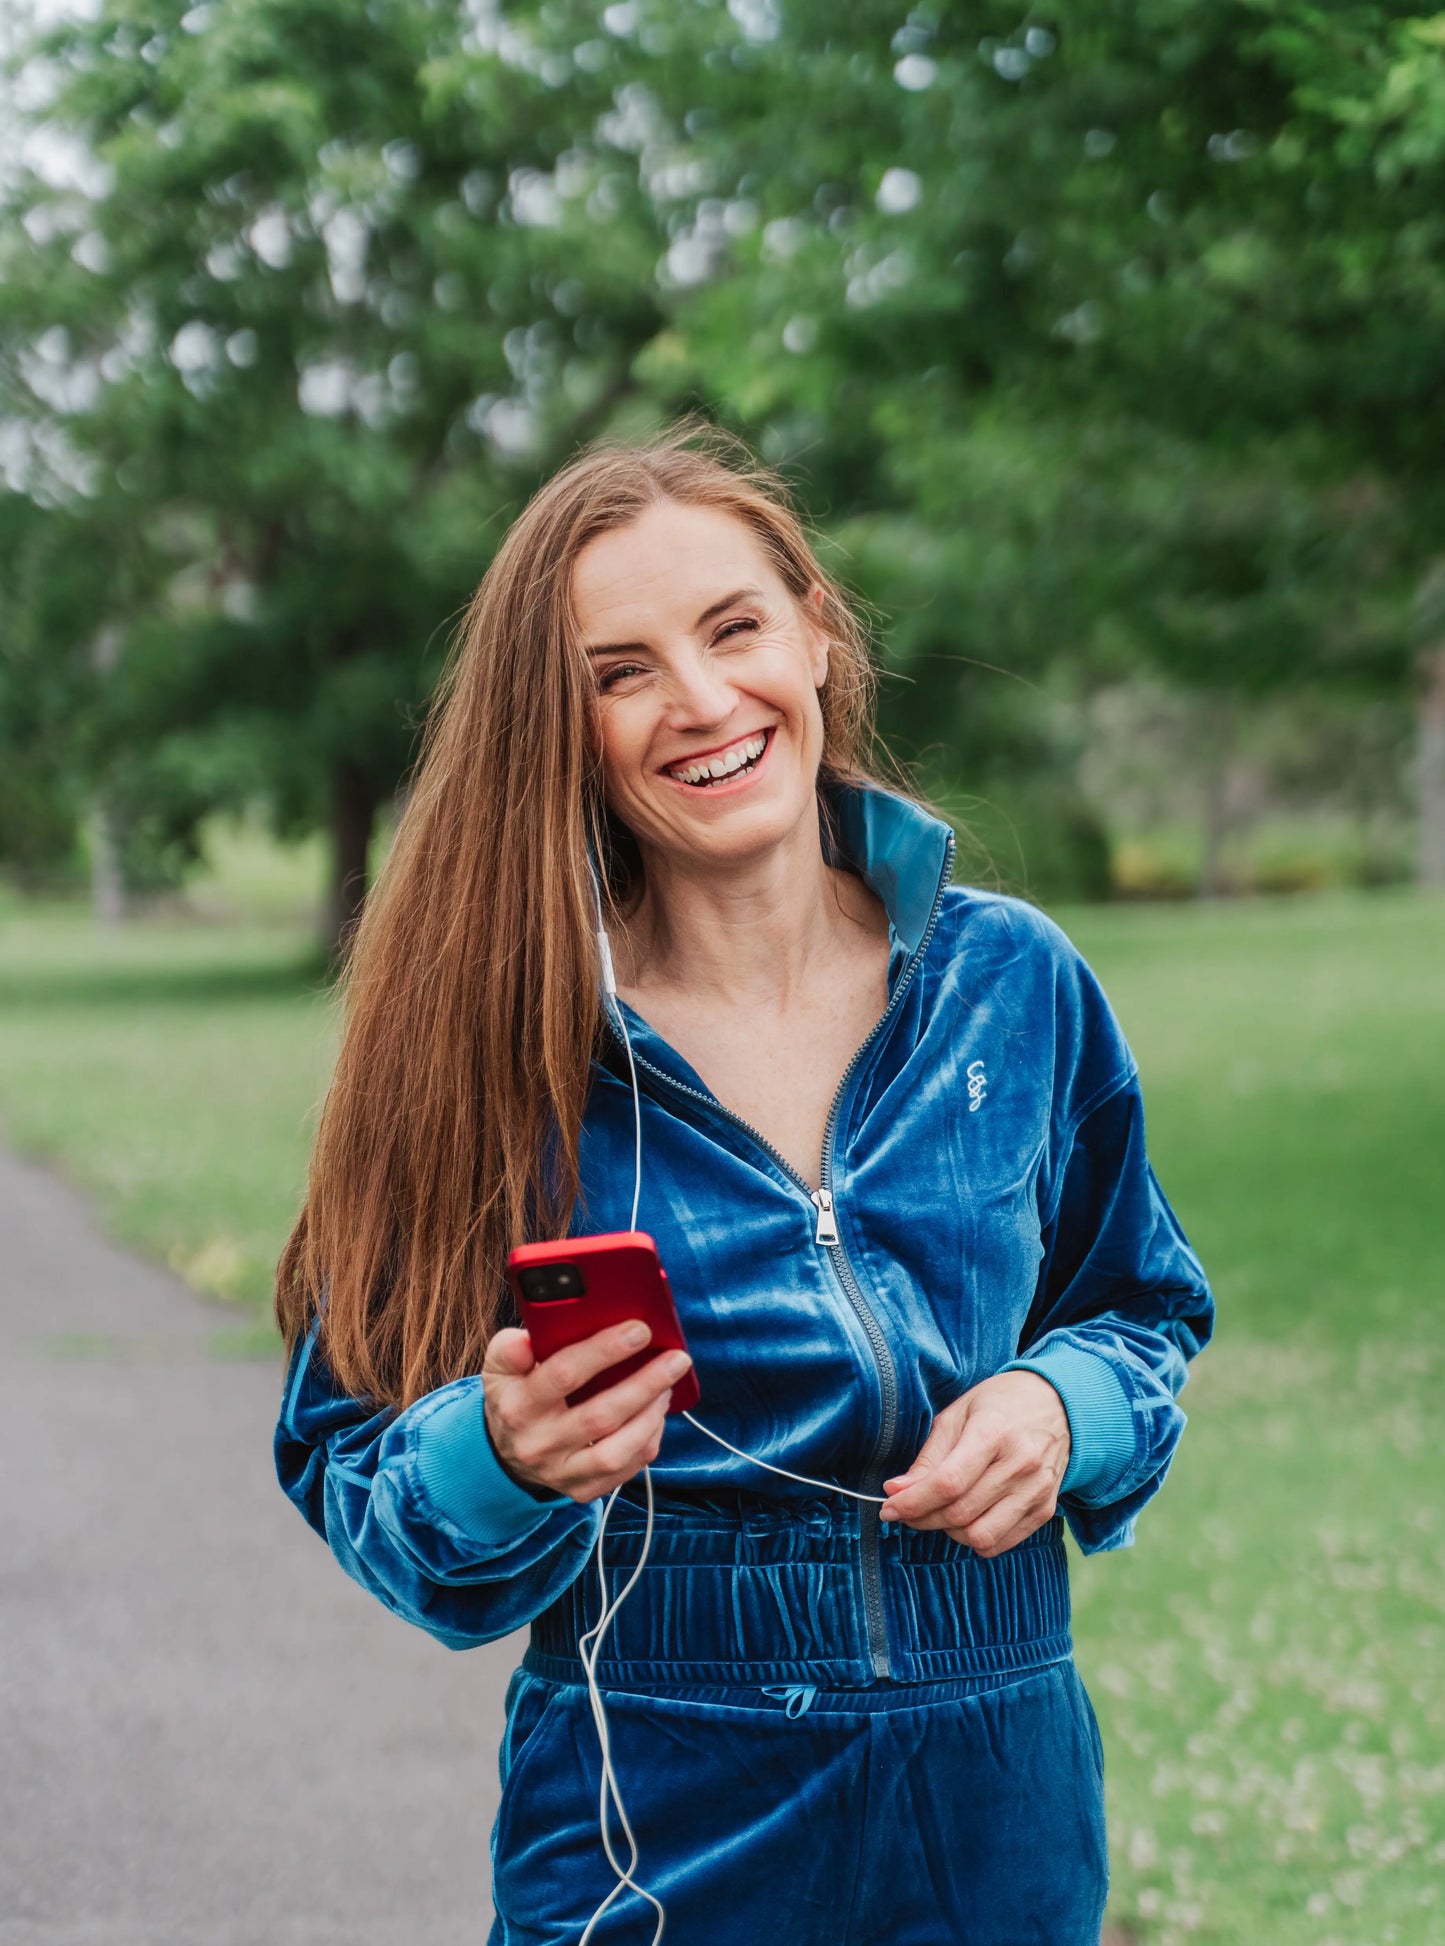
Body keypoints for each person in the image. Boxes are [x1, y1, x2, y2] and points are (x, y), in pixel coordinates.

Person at [274, 420, 1214, 1945]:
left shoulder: (1014, 985)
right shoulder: (496, 1047)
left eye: (733, 629)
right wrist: (503, 1454)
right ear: (558, 727)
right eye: (619, 670)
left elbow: (1139, 1306)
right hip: (655, 1820)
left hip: (998, 1807)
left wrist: (1063, 1409)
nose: (700, 702)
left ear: (818, 641)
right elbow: (351, 1466)